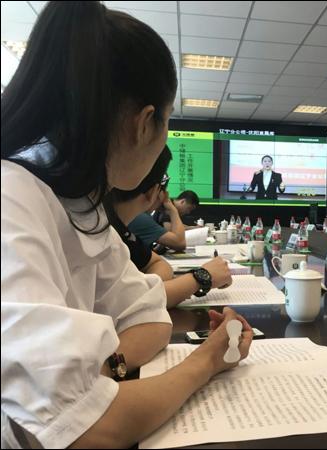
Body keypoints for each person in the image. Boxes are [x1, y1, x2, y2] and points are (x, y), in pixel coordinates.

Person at [1, 3, 252, 448]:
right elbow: (86, 432)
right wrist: (208, 361)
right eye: (167, 122)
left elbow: (150, 318)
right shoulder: (11, 199)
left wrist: (98, 371)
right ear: (144, 123)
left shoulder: (82, 205)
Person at [104, 147, 232, 309]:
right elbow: (134, 302)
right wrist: (202, 277)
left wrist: (148, 289)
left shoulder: (117, 227)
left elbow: (158, 264)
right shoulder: (111, 228)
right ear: (154, 192)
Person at [128, 183, 187, 251]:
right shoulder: (140, 217)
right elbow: (180, 243)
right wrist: (173, 210)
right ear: (159, 193)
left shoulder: (135, 213)